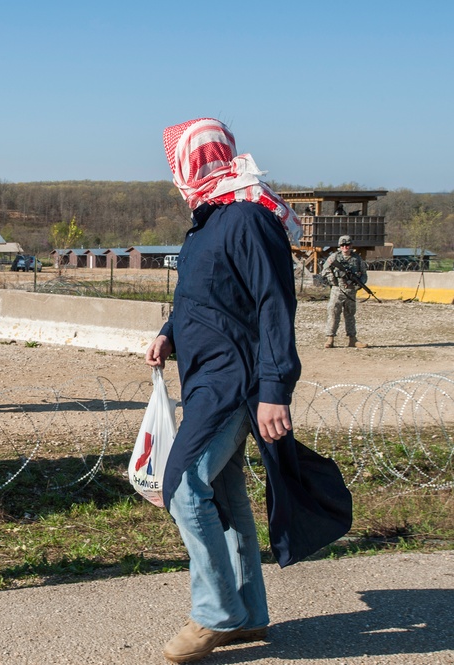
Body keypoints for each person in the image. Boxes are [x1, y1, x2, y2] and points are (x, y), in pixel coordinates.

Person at [145, 118, 351, 663]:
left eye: (177, 164)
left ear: (196, 162)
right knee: (225, 492)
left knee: (184, 485)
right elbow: (205, 298)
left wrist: (275, 388)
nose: (174, 176)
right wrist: (168, 334)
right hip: (206, 376)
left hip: (233, 382)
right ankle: (250, 613)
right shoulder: (207, 223)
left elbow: (273, 305)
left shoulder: (246, 219)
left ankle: (216, 612)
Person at [321, 235, 369, 348]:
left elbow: (363, 274)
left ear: (351, 245)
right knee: (333, 313)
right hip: (337, 290)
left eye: (347, 245)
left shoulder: (357, 259)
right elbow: (325, 270)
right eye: (342, 245)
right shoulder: (334, 257)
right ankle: (330, 339)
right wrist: (333, 280)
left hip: (351, 291)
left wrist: (358, 284)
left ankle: (352, 339)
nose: (345, 247)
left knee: (350, 315)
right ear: (339, 246)